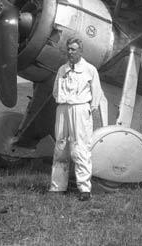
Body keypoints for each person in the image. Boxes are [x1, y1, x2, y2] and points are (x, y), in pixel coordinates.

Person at [49, 37, 103, 201]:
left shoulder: (90, 69)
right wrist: (62, 103)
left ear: (81, 51)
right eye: (69, 49)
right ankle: (58, 187)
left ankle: (84, 189)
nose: (70, 52)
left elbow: (97, 93)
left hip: (80, 109)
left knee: (80, 147)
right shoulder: (62, 69)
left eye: (73, 49)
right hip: (63, 108)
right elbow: (55, 91)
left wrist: (88, 109)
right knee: (60, 146)